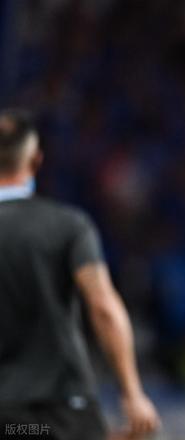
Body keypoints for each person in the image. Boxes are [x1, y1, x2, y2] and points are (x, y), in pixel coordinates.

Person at [0, 109, 161, 439]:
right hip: (63, 407)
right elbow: (103, 307)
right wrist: (132, 393)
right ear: (36, 160)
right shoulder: (69, 226)